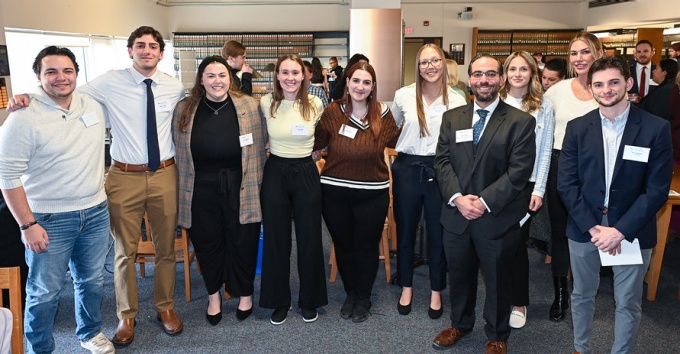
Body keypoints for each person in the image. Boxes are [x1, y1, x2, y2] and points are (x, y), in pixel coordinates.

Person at [6, 26, 186, 345]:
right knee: (122, 252)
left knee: (165, 250)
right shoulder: (107, 82)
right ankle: (126, 316)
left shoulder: (174, 87)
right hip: (123, 176)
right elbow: (61, 90)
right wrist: (25, 96)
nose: (147, 50)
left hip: (164, 175)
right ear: (129, 51)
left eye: (153, 46)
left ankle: (165, 308)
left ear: (161, 52)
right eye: (140, 45)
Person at [0, 46, 113, 354]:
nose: (60, 78)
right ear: (38, 77)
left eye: (67, 71)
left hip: (95, 213)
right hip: (48, 220)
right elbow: (7, 177)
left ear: (77, 74)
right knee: (44, 291)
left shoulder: (92, 104)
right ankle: (40, 348)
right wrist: (27, 225)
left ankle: (90, 333)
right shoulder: (22, 118)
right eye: (51, 72)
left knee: (91, 282)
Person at [558, 55, 673, 354]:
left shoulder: (655, 128)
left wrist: (619, 230)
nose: (606, 89)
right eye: (599, 84)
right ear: (591, 88)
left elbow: (657, 189)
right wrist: (593, 227)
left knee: (628, 302)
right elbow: (567, 185)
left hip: (632, 228)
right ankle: (580, 348)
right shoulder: (577, 128)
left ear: (629, 83)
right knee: (582, 295)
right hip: (586, 227)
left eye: (613, 82)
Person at [432, 53, 536, 354]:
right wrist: (458, 199)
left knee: (497, 280)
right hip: (456, 214)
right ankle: (460, 325)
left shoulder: (521, 122)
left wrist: (484, 202)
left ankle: (497, 334)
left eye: (491, 74)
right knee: (460, 275)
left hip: (497, 216)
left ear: (501, 80)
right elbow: (442, 162)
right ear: (469, 80)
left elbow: (518, 173)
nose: (484, 80)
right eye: (478, 74)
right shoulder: (453, 118)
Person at [173, 56, 267, 326]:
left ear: (231, 78)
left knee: (243, 241)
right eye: (211, 76)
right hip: (200, 188)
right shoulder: (185, 109)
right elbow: (178, 151)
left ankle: (244, 293)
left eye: (222, 75)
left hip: (241, 186)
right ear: (201, 80)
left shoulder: (249, 106)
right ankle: (214, 296)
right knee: (208, 243)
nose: (217, 81)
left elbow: (261, 149)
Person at [314, 61, 401, 322]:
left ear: (373, 86)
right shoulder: (333, 111)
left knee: (366, 247)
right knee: (343, 244)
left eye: (366, 82)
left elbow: (400, 143)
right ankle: (350, 293)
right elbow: (316, 143)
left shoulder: (384, 115)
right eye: (356, 81)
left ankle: (363, 296)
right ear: (347, 82)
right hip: (334, 191)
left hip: (372, 192)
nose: (360, 87)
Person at [391, 44, 466, 320]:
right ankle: (407, 286)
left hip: (441, 170)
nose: (430, 66)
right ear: (418, 66)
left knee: (438, 234)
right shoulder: (403, 95)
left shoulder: (458, 97)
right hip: (408, 169)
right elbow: (394, 128)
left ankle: (436, 289)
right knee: (406, 230)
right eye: (424, 62)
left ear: (444, 63)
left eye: (435, 61)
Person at [259, 54, 328, 325]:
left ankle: (309, 300)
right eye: (284, 72)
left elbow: (324, 135)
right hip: (275, 172)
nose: (290, 77)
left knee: (310, 239)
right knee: (277, 240)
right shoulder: (266, 103)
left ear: (304, 76)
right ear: (277, 76)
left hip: (306, 173)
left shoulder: (316, 102)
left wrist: (319, 150)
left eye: (295, 73)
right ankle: (278, 301)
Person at [543, 32, 603, 322]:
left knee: (589, 229)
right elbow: (543, 134)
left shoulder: (607, 89)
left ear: (598, 53)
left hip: (595, 169)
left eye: (585, 52)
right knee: (559, 232)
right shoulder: (557, 91)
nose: (579, 58)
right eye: (574, 53)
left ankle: (584, 291)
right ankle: (560, 294)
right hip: (560, 164)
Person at [499, 51, 555, 329]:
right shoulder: (495, 102)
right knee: (493, 245)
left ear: (533, 72)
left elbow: (545, 152)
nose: (518, 74)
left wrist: (540, 190)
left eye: (524, 69)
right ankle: (497, 298)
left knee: (517, 245)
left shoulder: (543, 106)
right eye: (512, 69)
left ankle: (519, 302)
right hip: (494, 185)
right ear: (505, 73)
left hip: (526, 186)